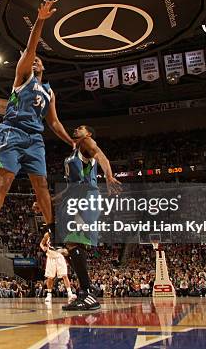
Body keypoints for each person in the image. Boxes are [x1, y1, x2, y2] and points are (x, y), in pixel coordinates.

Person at [0, 1, 74, 259]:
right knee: (6, 180)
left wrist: (70, 142)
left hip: (34, 138)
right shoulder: (23, 77)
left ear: (43, 67)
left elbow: (53, 122)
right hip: (12, 130)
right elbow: (31, 48)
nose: (34, 61)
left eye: (38, 61)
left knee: (41, 185)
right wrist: (40, 20)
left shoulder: (49, 91)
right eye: (31, 59)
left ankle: (53, 232)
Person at [60, 125, 121, 310]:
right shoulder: (75, 151)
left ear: (89, 134)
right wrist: (50, 200)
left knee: (74, 242)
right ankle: (86, 292)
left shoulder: (87, 143)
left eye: (81, 128)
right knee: (72, 244)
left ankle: (87, 294)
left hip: (86, 196)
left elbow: (101, 156)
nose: (76, 129)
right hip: (76, 195)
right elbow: (70, 187)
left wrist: (109, 176)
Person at [39, 230, 74, 304]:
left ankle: (70, 293)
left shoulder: (63, 234)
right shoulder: (47, 234)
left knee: (65, 275)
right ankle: (49, 295)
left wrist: (66, 251)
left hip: (60, 257)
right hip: (50, 257)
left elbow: (67, 247)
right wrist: (43, 248)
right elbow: (41, 244)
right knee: (50, 277)